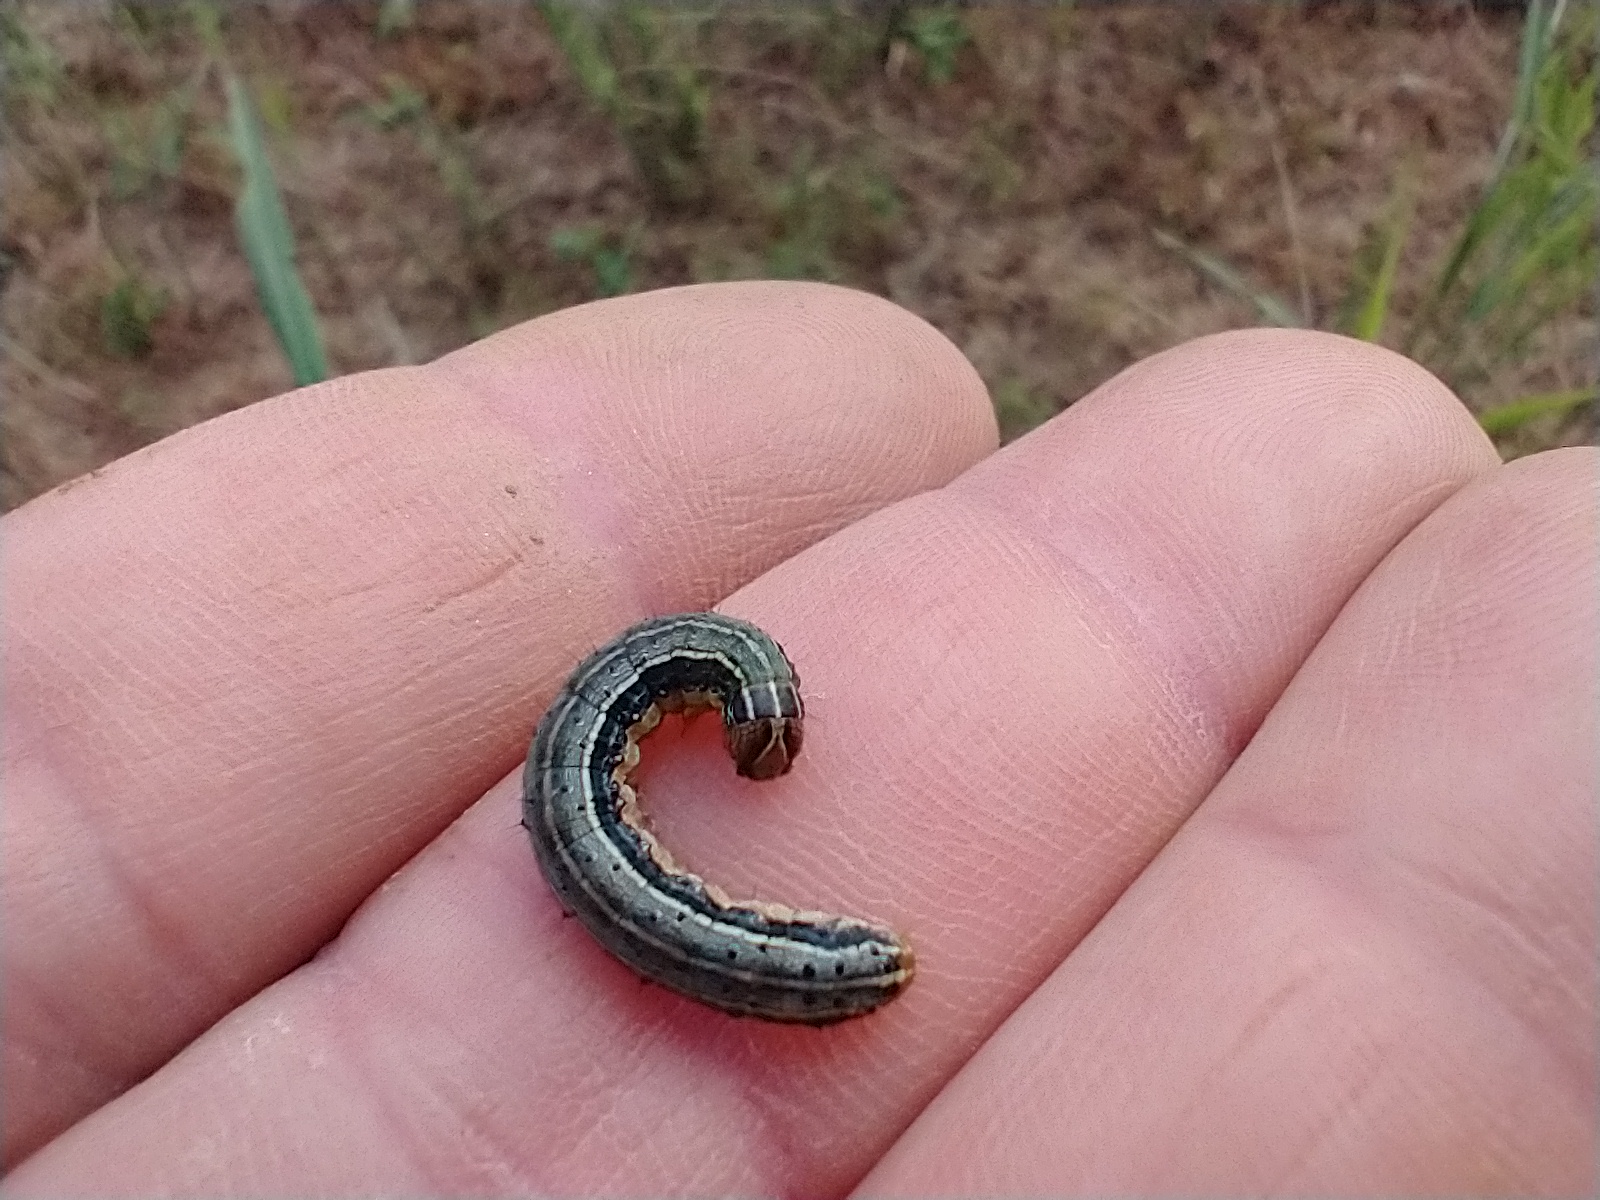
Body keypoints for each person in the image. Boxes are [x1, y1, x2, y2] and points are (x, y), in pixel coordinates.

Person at [4, 283, 1591, 1194]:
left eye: (756, 723)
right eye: (759, 721)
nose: (766, 742)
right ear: (694, 706)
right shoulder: (641, 756)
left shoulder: (634, 748)